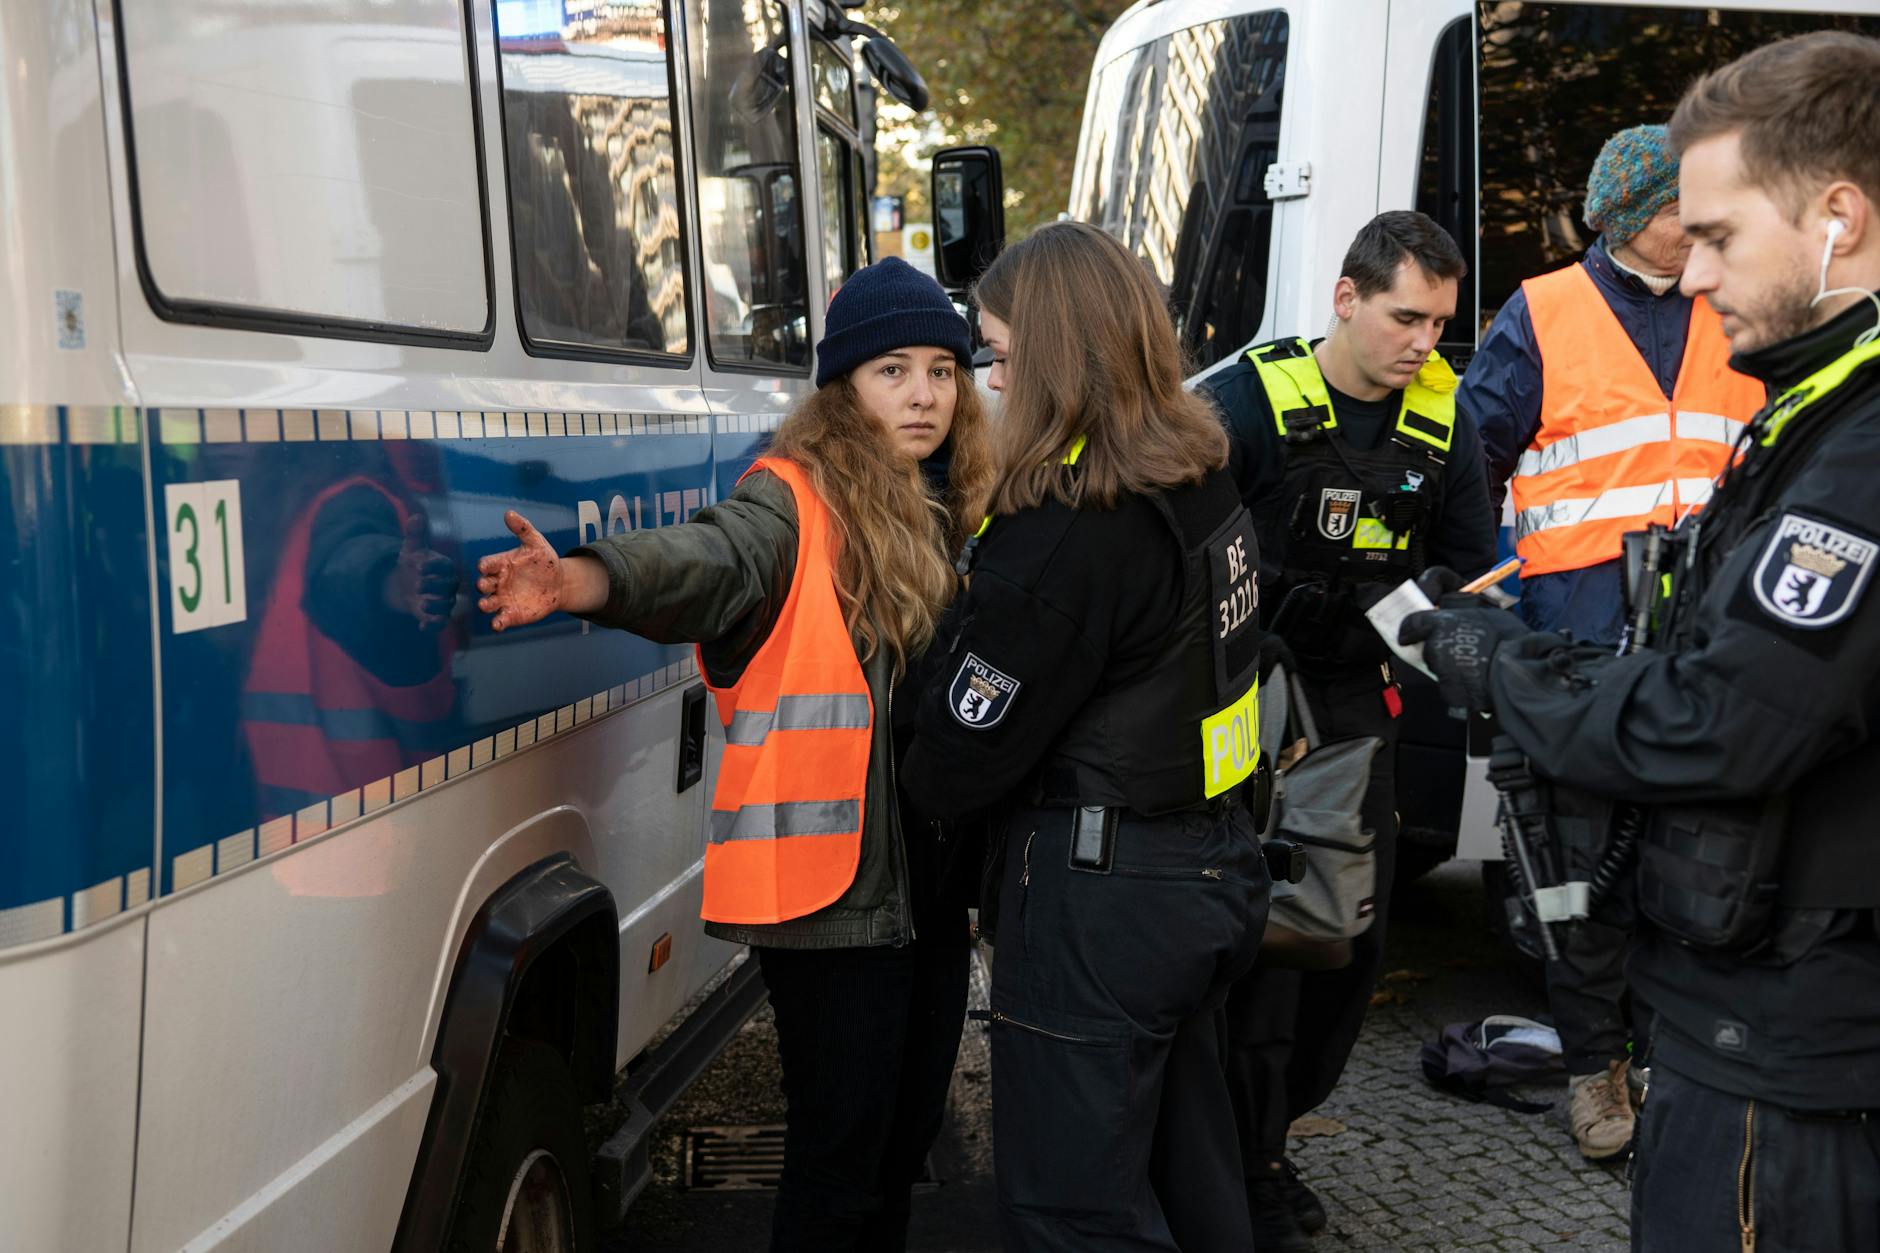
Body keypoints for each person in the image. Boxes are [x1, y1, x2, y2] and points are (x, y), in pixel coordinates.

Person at [1402, 31, 1880, 1252]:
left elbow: (1721, 724)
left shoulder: (1849, 437)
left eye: (1719, 235)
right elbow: (1479, 456)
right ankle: (1591, 1060)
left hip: (1787, 1028)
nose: (1698, 273)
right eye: (1686, 233)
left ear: (1837, 215)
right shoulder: (1804, 394)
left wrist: (1492, 664)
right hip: (1599, 666)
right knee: (1567, 898)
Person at [476, 256, 993, 1253]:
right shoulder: (792, 498)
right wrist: (587, 577)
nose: (924, 391)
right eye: (894, 369)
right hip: (833, 899)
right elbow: (705, 558)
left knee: (898, 1150)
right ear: (844, 385)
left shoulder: (953, 496)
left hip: (927, 888)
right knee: (838, 1166)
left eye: (941, 367)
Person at [897, 220, 1273, 1251]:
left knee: (1073, 1208)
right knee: (1188, 1175)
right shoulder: (1197, 478)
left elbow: (959, 757)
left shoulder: (1067, 530)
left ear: (1058, 358)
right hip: (1204, 870)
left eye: (1004, 358)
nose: (991, 382)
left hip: (1100, 898)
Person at [1461, 124, 1766, 1160]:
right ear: (1633, 216)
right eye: (1685, 211)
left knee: (1702, 867)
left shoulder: (1735, 301)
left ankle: (1674, 1064)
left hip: (1709, 642)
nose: (1703, 228)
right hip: (1578, 647)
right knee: (1574, 872)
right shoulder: (1542, 310)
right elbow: (1473, 469)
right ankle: (1595, 1073)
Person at [1202, 210, 1497, 1251]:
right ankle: (1236, 1158)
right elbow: (1176, 543)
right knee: (1250, 944)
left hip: (1351, 706)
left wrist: (1396, 609)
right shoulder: (1245, 399)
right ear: (1345, 297)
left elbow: (1469, 558)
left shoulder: (1438, 421)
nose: (1423, 342)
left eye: (1437, 323)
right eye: (1403, 316)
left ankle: (1270, 1134)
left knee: (1339, 943)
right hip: (1238, 710)